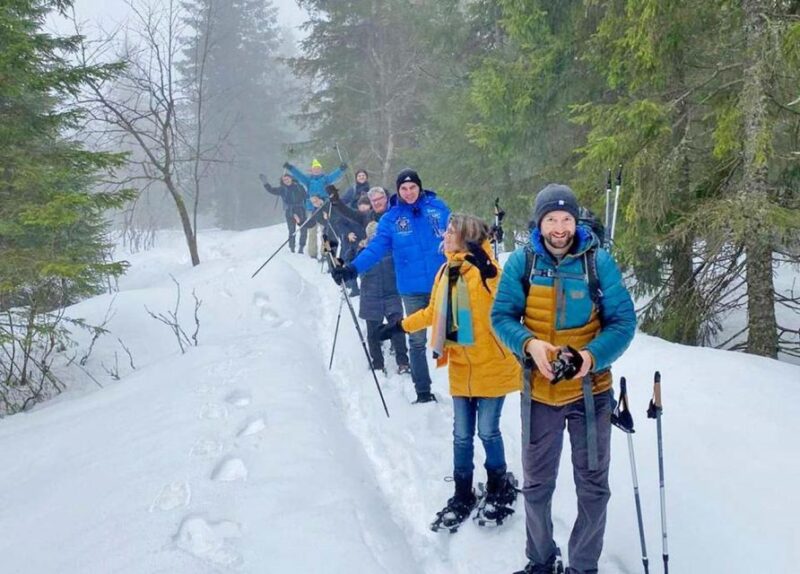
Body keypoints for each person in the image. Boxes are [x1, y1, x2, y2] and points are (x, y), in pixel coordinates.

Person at [490, 184, 636, 574]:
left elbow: (623, 322)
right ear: (539, 222)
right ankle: (540, 560)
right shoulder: (522, 263)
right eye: (551, 219)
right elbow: (500, 316)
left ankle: (583, 566)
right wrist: (530, 345)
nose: (559, 227)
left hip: (592, 394)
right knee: (536, 486)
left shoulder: (597, 262)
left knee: (593, 488)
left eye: (566, 218)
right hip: (539, 393)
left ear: (576, 220)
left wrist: (589, 358)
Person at [379, 214, 521, 530]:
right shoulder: (446, 270)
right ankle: (462, 492)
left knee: (487, 431)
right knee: (461, 436)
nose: (445, 234)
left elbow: (510, 302)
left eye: (452, 231)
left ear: (467, 237)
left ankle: (499, 485)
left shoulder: (488, 271)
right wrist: (399, 327)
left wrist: (488, 264)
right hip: (461, 367)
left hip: (492, 367)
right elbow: (434, 312)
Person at [331, 168, 450, 404]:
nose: (408, 192)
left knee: (454, 336)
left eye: (412, 187)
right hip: (412, 289)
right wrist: (353, 269)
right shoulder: (391, 219)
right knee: (416, 339)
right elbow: (375, 249)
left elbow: (461, 234)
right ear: (397, 191)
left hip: (443, 283)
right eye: (403, 189)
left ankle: (464, 390)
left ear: (420, 187)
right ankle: (423, 392)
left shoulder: (438, 209)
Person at [359, 221, 410, 374]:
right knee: (373, 333)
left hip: (391, 295)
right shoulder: (364, 253)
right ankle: (377, 364)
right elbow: (356, 270)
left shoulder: (393, 250)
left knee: (397, 328)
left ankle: (403, 362)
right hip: (370, 297)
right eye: (373, 235)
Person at [284, 158, 347, 259]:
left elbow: (335, 175)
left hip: (325, 207)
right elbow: (299, 175)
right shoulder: (309, 180)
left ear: (321, 170)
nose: (316, 170)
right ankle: (312, 253)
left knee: (325, 231)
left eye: (318, 168)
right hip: (312, 208)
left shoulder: (325, 179)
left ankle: (325, 252)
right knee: (312, 230)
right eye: (315, 168)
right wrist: (291, 168)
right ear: (312, 170)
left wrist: (341, 169)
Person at [259, 172, 308, 253]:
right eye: (284, 180)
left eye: (287, 178)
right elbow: (271, 190)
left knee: (304, 229)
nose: (286, 181)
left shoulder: (299, 186)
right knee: (292, 230)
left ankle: (301, 247)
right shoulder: (282, 189)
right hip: (290, 211)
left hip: (300, 209)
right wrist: (265, 183)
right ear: (283, 181)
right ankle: (292, 248)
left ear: (291, 178)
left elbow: (306, 196)